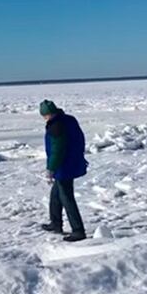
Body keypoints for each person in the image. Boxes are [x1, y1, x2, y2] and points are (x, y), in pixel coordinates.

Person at [39, 100, 89, 242]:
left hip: (64, 166)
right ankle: (56, 223)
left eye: (45, 115)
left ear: (48, 114)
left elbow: (57, 150)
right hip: (71, 162)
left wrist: (51, 168)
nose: (45, 118)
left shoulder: (56, 126)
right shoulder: (68, 120)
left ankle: (78, 230)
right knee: (56, 194)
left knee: (66, 197)